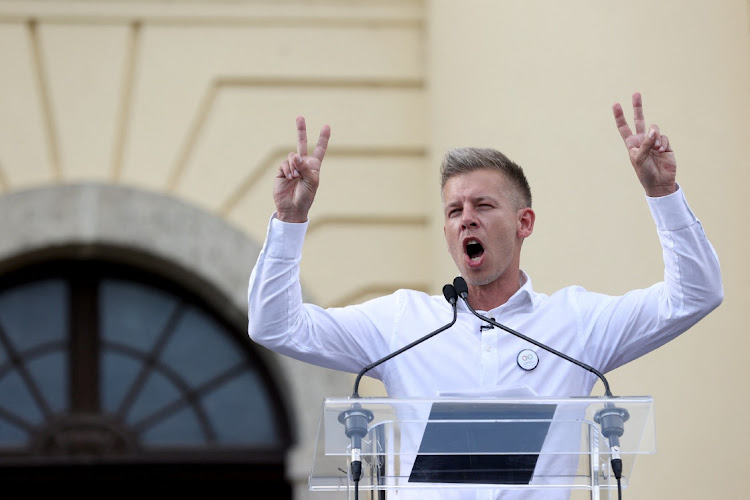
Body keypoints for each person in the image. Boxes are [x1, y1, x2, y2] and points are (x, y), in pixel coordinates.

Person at [247, 93, 724, 499]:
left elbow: (695, 294)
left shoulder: (576, 323)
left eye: (483, 206)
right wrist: (289, 221)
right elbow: (275, 326)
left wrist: (663, 193)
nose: (466, 219)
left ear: (524, 224)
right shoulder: (403, 324)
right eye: (454, 210)